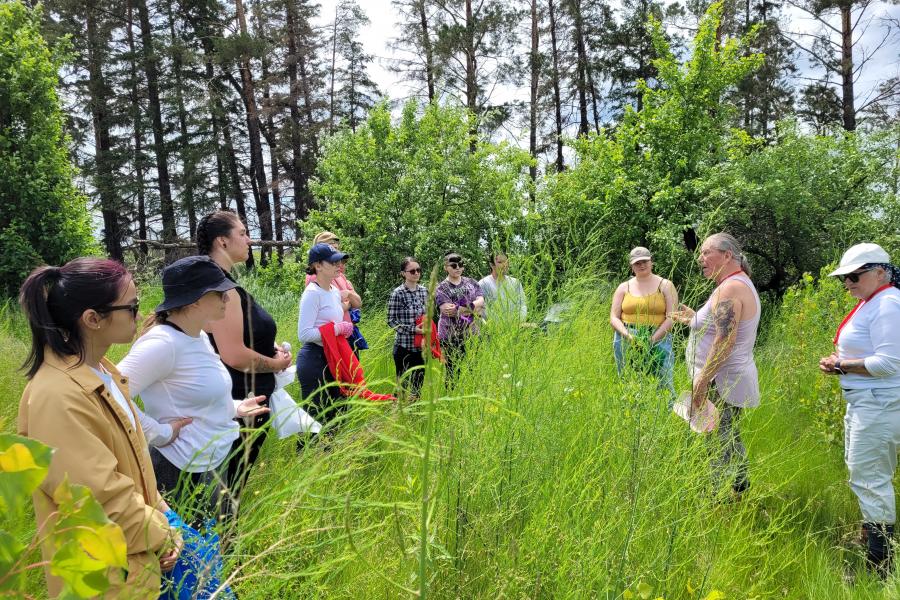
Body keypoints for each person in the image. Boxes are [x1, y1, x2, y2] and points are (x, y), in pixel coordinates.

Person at [17, 258, 181, 597]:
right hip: (102, 581)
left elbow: (132, 468)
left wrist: (165, 516)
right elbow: (98, 500)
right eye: (132, 307)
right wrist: (163, 533)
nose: (141, 312)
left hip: (133, 567)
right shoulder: (57, 396)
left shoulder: (102, 374)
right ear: (93, 319)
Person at [118, 256, 269, 524]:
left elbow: (194, 396)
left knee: (217, 549)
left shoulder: (196, 335)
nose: (227, 297)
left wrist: (234, 408)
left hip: (210, 463)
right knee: (190, 558)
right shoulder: (162, 343)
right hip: (179, 471)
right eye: (219, 292)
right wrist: (159, 432)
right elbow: (108, 394)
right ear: (196, 299)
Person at [197, 210, 293, 498]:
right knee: (227, 488)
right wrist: (275, 363)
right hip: (239, 402)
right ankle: (223, 541)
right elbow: (233, 354)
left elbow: (241, 339)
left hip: (247, 400)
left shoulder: (224, 282)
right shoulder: (219, 288)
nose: (249, 240)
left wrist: (269, 349)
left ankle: (225, 538)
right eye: (242, 233)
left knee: (232, 484)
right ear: (222, 242)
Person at [819, 243, 900, 575]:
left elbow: (889, 363)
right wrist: (844, 365)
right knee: (864, 474)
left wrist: (843, 365)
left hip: (879, 404)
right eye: (844, 278)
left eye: (854, 276)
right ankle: (873, 543)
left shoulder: (888, 305)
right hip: (867, 403)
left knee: (871, 480)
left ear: (879, 272)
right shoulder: (875, 302)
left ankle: (880, 568)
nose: (848, 283)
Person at [671, 233, 760, 498]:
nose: (700, 258)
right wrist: (694, 318)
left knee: (717, 441)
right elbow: (717, 326)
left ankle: (709, 499)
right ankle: (741, 484)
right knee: (729, 434)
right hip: (724, 378)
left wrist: (701, 382)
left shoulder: (730, 288)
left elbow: (724, 340)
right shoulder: (735, 283)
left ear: (727, 256)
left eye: (707, 252)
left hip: (721, 381)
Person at [609, 246, 678, 397]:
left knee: (663, 382)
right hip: (627, 337)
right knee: (629, 381)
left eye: (645, 261)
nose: (641, 265)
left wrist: (651, 340)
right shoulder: (623, 287)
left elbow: (672, 316)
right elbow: (614, 317)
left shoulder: (665, 285)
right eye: (637, 263)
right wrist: (629, 336)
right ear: (631, 266)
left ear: (651, 262)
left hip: (659, 336)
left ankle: (666, 413)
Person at [297, 243, 353, 425]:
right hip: (314, 359)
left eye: (339, 261)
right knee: (315, 418)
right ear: (318, 265)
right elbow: (304, 334)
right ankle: (308, 452)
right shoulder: (312, 294)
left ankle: (333, 451)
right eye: (333, 261)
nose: (339, 265)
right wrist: (337, 329)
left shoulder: (334, 291)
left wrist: (344, 326)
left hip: (333, 357)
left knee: (337, 413)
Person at [435, 252, 484, 382]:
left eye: (460, 264)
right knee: (452, 372)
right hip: (450, 335)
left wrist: (462, 308)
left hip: (472, 333)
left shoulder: (472, 282)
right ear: (446, 267)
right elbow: (448, 311)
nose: (458, 267)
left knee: (474, 370)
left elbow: (482, 302)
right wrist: (474, 309)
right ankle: (451, 399)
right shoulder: (441, 288)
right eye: (453, 265)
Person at [387, 257, 429, 397]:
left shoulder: (424, 291)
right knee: (402, 387)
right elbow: (391, 321)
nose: (416, 273)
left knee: (417, 387)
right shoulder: (397, 293)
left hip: (421, 347)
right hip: (403, 347)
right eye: (412, 271)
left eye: (418, 270)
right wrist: (412, 329)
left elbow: (429, 315)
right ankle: (396, 415)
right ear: (403, 273)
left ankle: (414, 416)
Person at [478, 252, 527, 325]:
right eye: (500, 262)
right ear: (491, 265)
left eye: (506, 261)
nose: (505, 265)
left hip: (515, 328)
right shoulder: (483, 283)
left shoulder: (516, 282)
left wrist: (519, 322)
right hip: (493, 329)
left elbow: (522, 304)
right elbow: (480, 309)